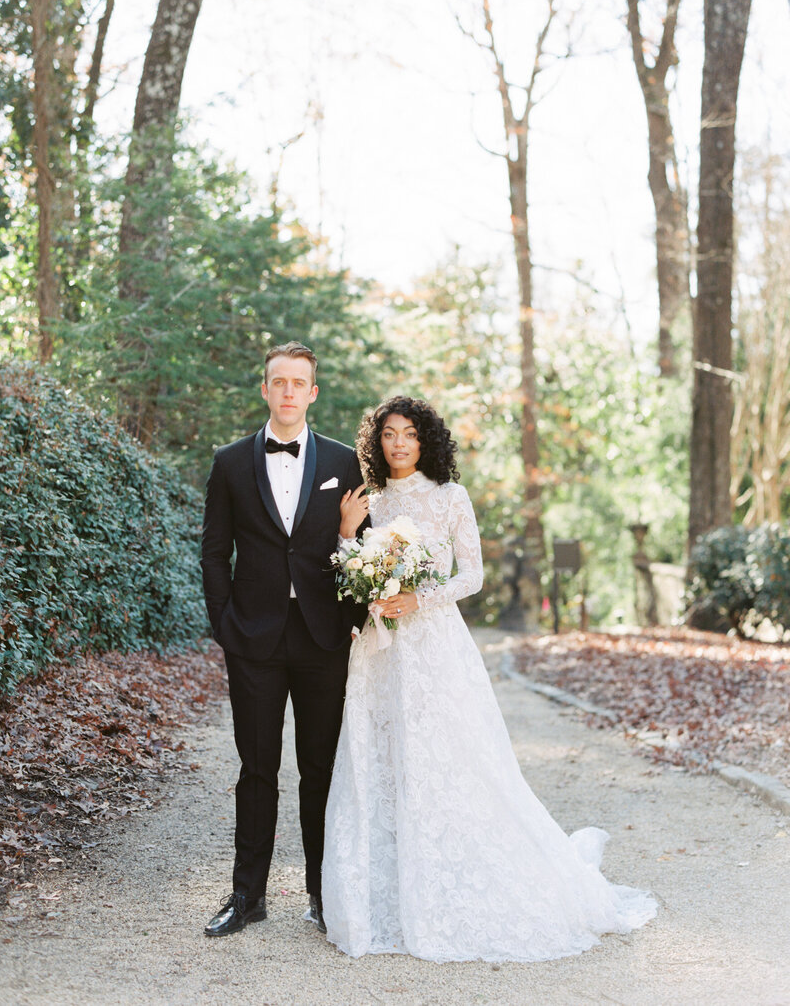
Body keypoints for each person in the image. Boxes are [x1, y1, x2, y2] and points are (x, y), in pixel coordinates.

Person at [321, 396, 657, 963]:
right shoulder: (369, 501)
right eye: (388, 435)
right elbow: (348, 572)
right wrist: (348, 535)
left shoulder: (450, 496)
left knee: (449, 760)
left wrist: (417, 597)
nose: (398, 443)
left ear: (426, 440)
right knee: (381, 757)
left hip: (434, 646)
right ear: (376, 443)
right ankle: (386, 895)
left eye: (409, 433)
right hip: (380, 651)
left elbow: (471, 574)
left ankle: (454, 885)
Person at [200, 341, 369, 937]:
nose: (290, 391)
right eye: (280, 381)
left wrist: (353, 616)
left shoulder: (347, 463)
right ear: (265, 389)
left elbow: (364, 550)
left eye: (300, 382)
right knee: (256, 769)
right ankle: (247, 897)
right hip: (253, 639)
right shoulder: (228, 462)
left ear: (313, 392)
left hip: (323, 639)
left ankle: (324, 897)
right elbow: (215, 551)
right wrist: (224, 621)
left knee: (319, 768)